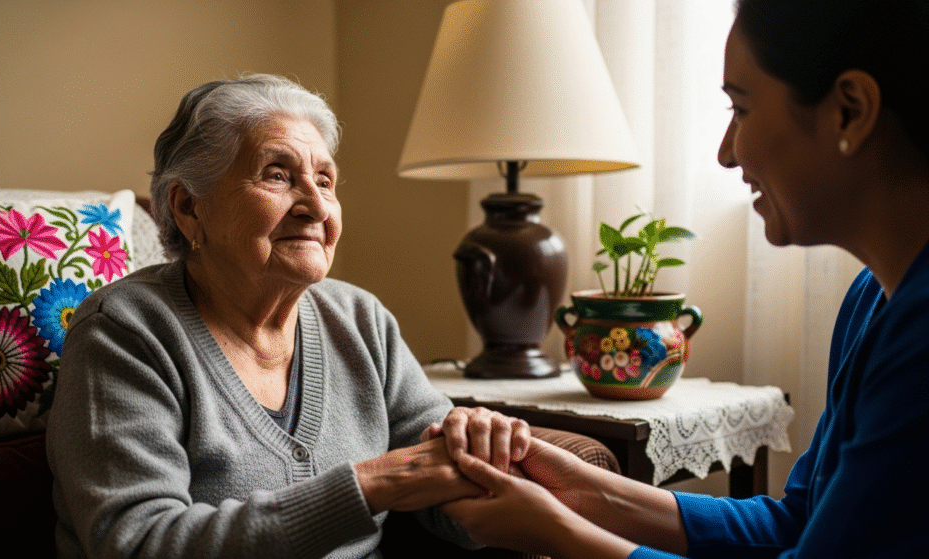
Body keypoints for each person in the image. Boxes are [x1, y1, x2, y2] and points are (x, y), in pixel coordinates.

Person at [440, 0, 929, 557]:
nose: (726, 152)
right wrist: (585, 490)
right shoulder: (872, 298)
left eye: (740, 110)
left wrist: (557, 534)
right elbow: (801, 522)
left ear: (850, 109)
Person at [45, 73, 533, 558]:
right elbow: (138, 544)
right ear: (189, 206)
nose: (317, 206)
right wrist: (369, 486)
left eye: (325, 180)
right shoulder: (123, 331)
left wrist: (484, 451)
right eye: (277, 175)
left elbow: (448, 479)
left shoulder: (360, 320)